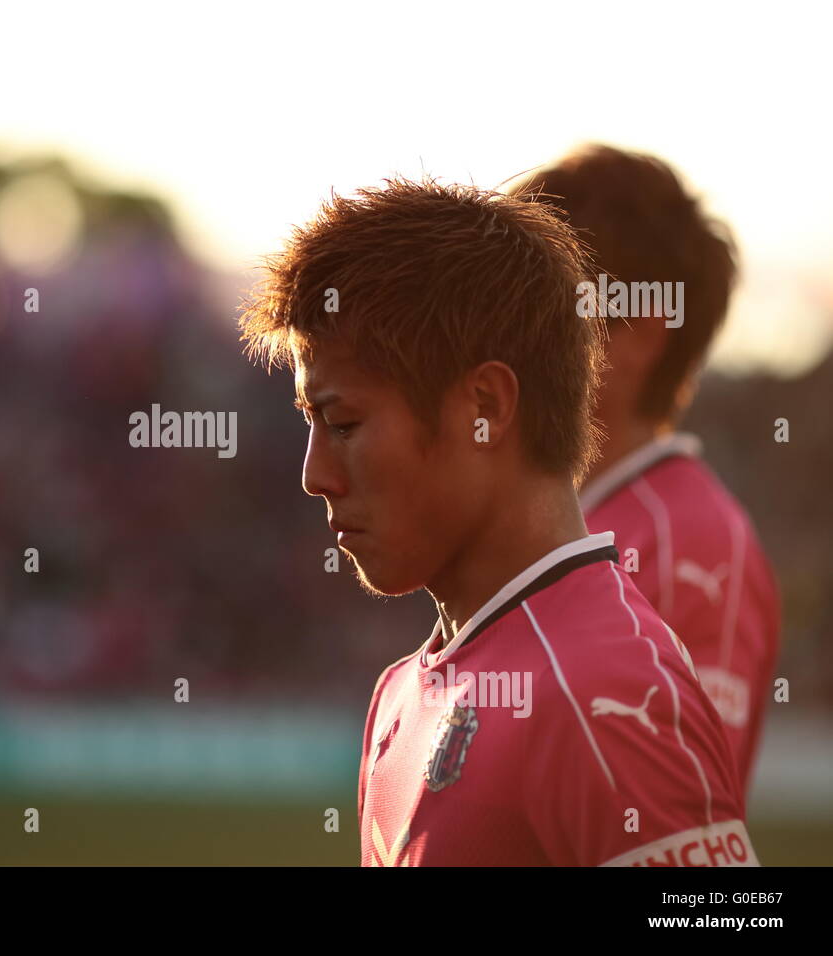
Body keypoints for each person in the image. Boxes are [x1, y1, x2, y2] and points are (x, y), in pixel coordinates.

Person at [238, 177, 756, 866]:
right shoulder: (399, 694)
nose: (314, 474)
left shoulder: (606, 694)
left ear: (485, 405)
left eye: (343, 423)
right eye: (311, 424)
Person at [508, 146, 780, 800]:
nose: (494, 334)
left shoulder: (695, 544)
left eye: (531, 304)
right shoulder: (544, 519)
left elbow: (676, 828)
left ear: (638, 335)